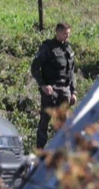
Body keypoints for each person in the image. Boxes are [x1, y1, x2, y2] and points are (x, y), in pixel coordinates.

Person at [31, 22, 76, 150]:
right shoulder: (47, 48)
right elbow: (34, 67)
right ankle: (40, 150)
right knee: (45, 120)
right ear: (58, 32)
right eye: (65, 33)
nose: (67, 36)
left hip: (65, 90)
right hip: (51, 90)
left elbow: (72, 72)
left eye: (68, 34)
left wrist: (74, 92)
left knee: (64, 123)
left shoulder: (68, 49)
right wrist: (43, 85)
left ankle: (60, 151)